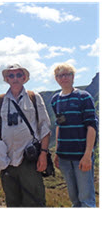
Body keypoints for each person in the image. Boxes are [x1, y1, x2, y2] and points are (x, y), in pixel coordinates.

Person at [0, 64, 51, 207]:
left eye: (19, 75)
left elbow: (45, 127)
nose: (15, 78)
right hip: (8, 160)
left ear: (24, 78)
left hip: (29, 159)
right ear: (6, 79)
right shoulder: (0, 101)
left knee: (34, 201)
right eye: (11, 76)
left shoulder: (34, 97)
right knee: (13, 201)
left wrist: (43, 154)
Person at [51, 63, 98, 207]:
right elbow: (60, 126)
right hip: (64, 157)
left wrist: (87, 155)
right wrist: (57, 152)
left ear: (73, 77)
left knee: (86, 200)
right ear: (56, 79)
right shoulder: (55, 100)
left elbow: (92, 126)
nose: (63, 78)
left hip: (81, 156)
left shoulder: (84, 97)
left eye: (67, 74)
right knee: (74, 200)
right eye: (60, 75)